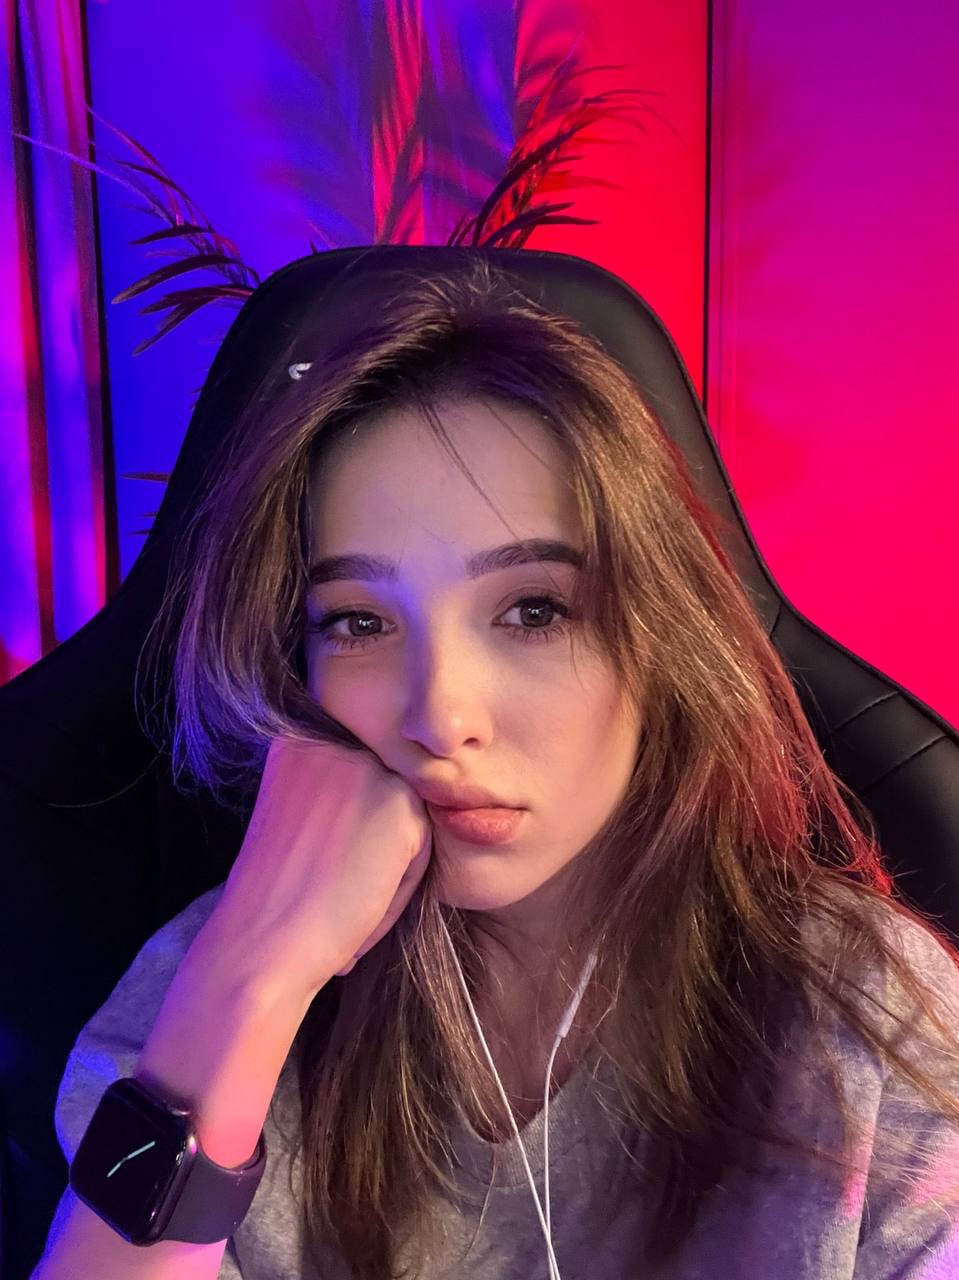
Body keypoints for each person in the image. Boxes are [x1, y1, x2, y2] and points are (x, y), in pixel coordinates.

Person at [34, 258, 959, 1279]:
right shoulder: (206, 977)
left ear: (658, 637)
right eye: (358, 622)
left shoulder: (854, 1004)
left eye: (533, 610)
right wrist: (251, 980)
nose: (440, 717)